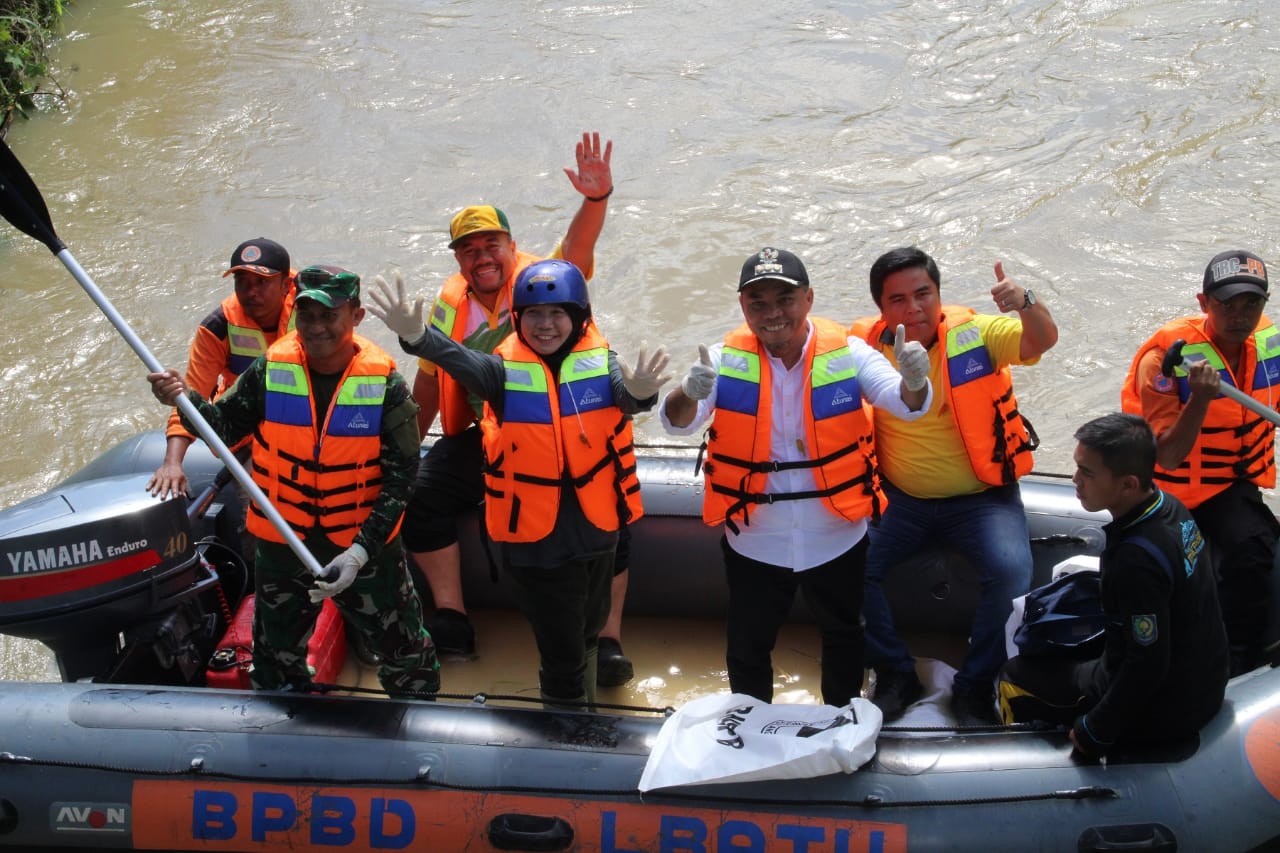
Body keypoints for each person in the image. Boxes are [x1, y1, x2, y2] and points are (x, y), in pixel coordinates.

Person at [368, 261, 668, 708]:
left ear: (579, 318)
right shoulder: (501, 373)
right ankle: (569, 728)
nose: (545, 325)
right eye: (533, 314)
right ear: (518, 319)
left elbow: (626, 397)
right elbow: (455, 358)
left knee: (587, 634)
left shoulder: (601, 362)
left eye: (556, 314)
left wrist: (642, 391)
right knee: (563, 653)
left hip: (595, 530)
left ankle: (579, 714)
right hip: (536, 543)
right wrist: (417, 337)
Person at [147, 265, 440, 697]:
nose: (316, 327)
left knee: (407, 655)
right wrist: (183, 399)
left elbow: (401, 480)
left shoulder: (386, 386)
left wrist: (359, 553)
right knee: (274, 659)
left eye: (329, 315)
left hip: (363, 548)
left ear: (356, 316)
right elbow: (224, 427)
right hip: (283, 544)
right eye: (307, 315)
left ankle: (419, 723)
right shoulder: (272, 369)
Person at [408, 132, 636, 686]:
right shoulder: (450, 301)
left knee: (617, 511)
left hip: (577, 425)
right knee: (420, 492)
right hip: (497, 429)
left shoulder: (546, 279)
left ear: (512, 246)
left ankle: (607, 639)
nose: (482, 257)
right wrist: (403, 449)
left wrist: (595, 199)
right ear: (459, 258)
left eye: (492, 245)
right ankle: (453, 616)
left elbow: (577, 250)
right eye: (469, 249)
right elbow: (430, 379)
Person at [660, 247, 932, 707]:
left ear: (808, 299)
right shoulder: (724, 360)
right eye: (758, 303)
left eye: (784, 299)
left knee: (845, 634)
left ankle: (839, 719)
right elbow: (677, 422)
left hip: (836, 534)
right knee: (748, 643)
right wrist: (687, 391)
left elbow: (904, 401)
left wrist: (915, 378)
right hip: (755, 539)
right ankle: (749, 724)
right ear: (744, 307)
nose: (772, 314)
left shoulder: (849, 353)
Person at [850, 246, 1058, 726]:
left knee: (1009, 573)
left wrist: (1025, 301)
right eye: (898, 300)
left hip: (982, 499)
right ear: (881, 309)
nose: (914, 308)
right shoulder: (860, 347)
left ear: (939, 294)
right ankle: (895, 673)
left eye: (923, 294)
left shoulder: (979, 334)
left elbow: (1041, 340)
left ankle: (975, 686)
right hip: (899, 499)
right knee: (846, 566)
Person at [997, 413, 1229, 758]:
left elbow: (1147, 664)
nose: (1076, 480)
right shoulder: (1172, 508)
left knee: (1014, 673)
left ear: (1128, 484)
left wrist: (1096, 729)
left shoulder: (1134, 561)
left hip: (1169, 707)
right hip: (1204, 676)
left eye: (1087, 473)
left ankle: (1020, 757)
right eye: (1077, 468)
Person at [1121, 249, 1280, 677]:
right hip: (1171, 488)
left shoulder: (1270, 344)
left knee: (1254, 551)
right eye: (1226, 303)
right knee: (1160, 576)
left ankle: (1244, 658)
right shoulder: (1163, 361)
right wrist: (1200, 403)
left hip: (1230, 482)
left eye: (1252, 303)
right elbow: (1167, 455)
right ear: (1203, 302)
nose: (1239, 314)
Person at [148, 237, 295, 502]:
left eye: (262, 282)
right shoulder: (218, 327)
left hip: (302, 417)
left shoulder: (311, 308)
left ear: (286, 285)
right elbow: (192, 395)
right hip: (246, 428)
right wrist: (172, 463)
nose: (251, 292)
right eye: (243, 283)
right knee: (258, 496)